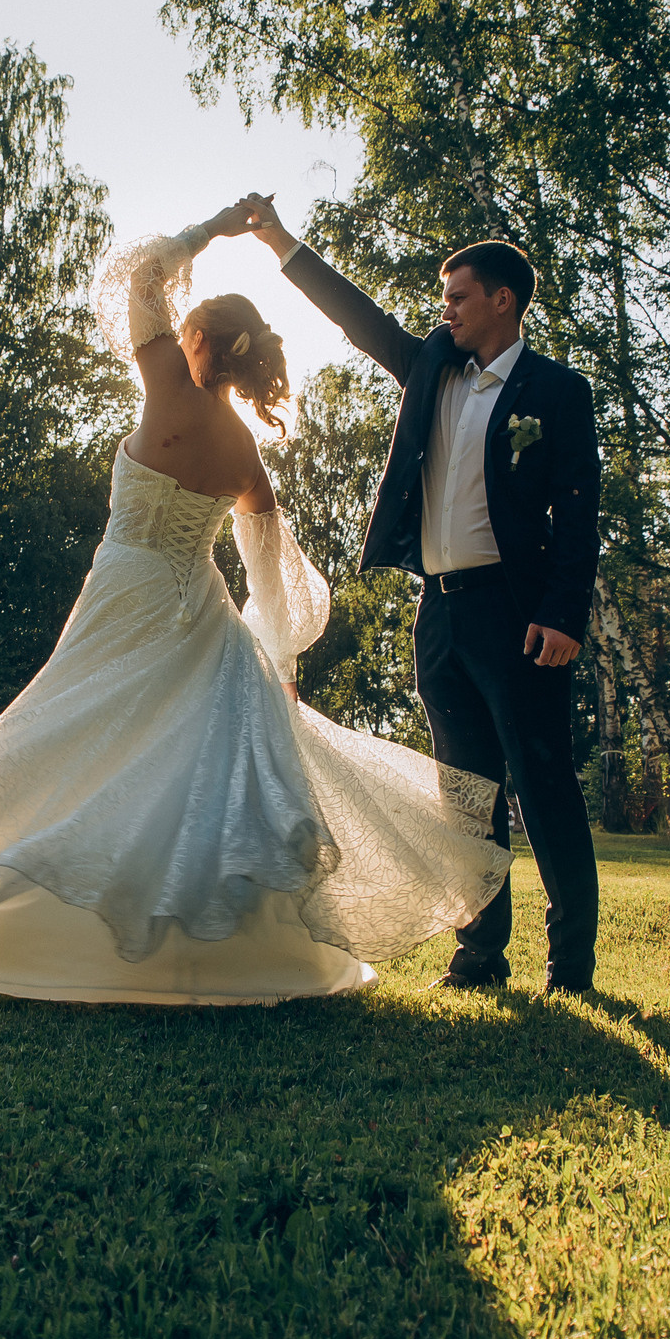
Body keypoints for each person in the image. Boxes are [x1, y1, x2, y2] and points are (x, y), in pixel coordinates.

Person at [0, 205, 511, 1004]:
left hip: (124, 590)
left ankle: (43, 920)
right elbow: (273, 576)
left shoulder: (164, 386)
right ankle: (225, 952)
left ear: (199, 344)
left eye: (188, 329)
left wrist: (215, 229)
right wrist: (278, 660)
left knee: (63, 737)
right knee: (185, 764)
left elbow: (140, 274)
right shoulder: (245, 454)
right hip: (199, 608)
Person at [234, 194, 603, 993]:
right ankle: (479, 960)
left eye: (460, 297)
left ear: (503, 300)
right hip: (440, 612)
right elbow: (359, 319)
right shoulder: (433, 367)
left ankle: (571, 969)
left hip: (520, 612)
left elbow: (580, 514)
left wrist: (562, 614)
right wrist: (279, 242)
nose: (448, 311)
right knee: (465, 798)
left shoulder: (556, 392)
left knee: (543, 786)